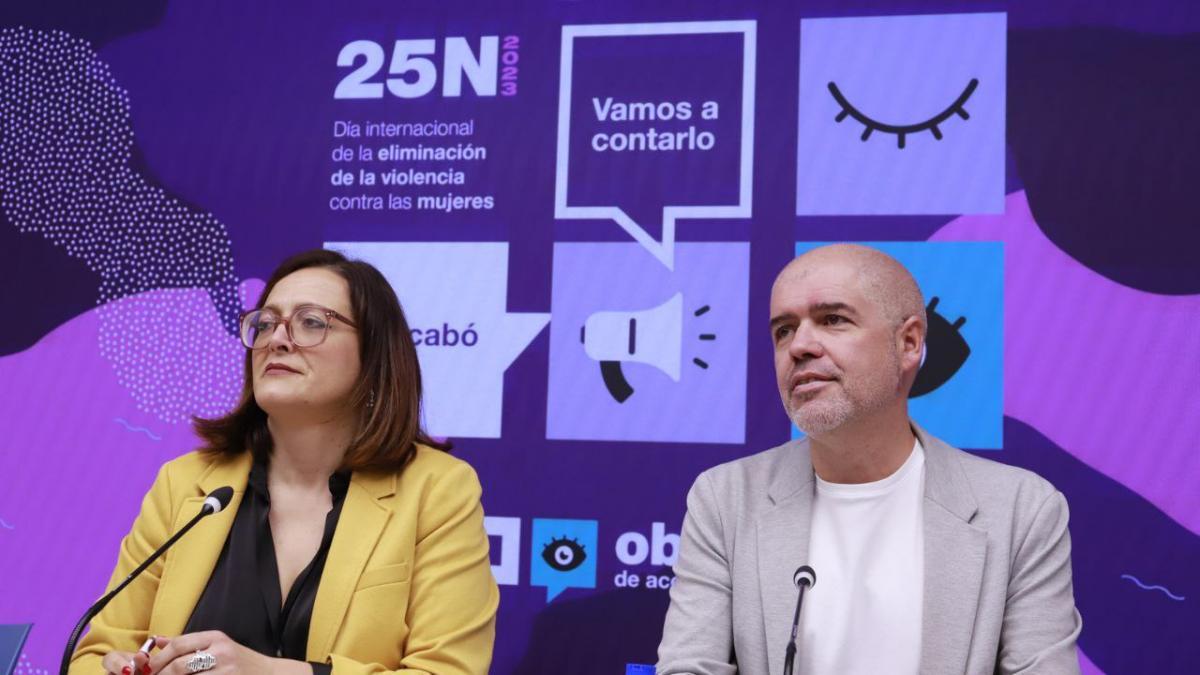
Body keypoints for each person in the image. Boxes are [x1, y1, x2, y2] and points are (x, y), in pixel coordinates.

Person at [657, 244, 1082, 675]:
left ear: (909, 343)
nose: (800, 346)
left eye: (833, 320)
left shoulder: (1021, 508)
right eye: (783, 330)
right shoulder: (726, 499)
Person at [70, 249, 499, 675]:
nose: (276, 339)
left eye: (311, 322)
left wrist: (267, 672)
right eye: (266, 323)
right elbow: (96, 652)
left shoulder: (437, 490)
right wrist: (123, 669)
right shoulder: (186, 484)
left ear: (373, 355)